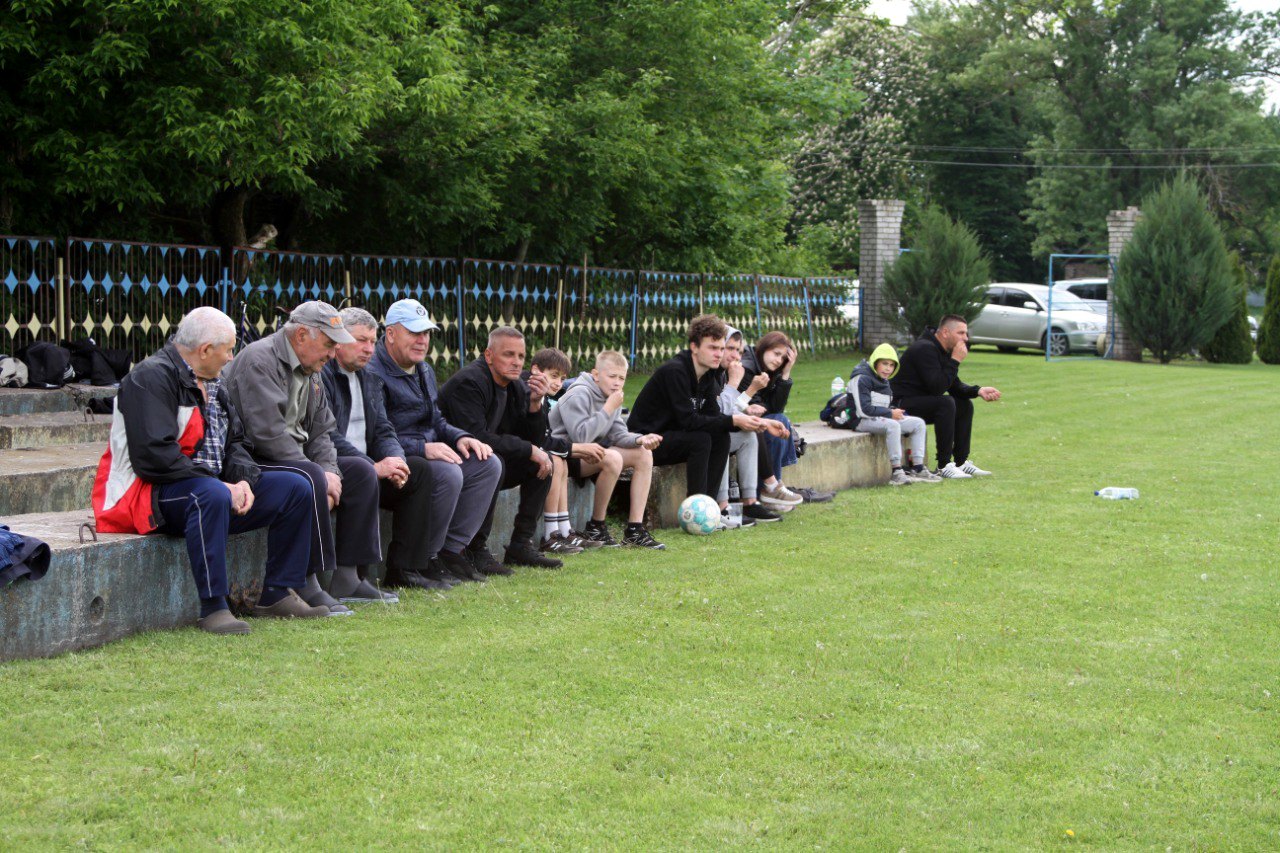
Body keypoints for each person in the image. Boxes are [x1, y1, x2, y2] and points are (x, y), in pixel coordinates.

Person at [92, 306, 323, 634]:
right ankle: (214, 606)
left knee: (295, 487)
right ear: (204, 350)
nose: (231, 357)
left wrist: (243, 481)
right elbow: (155, 457)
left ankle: (277, 592)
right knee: (210, 494)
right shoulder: (150, 378)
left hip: (206, 488)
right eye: (228, 350)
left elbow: (235, 443)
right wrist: (222, 486)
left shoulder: (215, 382)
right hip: (143, 496)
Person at [223, 301, 382, 616]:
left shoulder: (312, 368)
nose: (333, 353)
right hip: (252, 459)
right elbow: (267, 435)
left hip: (294, 458)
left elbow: (322, 432)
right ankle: (308, 581)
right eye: (329, 344)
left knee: (361, 472)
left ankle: (348, 576)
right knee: (308, 477)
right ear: (300, 336)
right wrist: (317, 473)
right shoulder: (260, 360)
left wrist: (330, 471)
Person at [364, 298, 505, 586]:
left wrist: (461, 437)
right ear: (390, 333)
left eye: (426, 333)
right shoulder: (372, 372)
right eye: (414, 333)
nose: (422, 340)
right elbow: (376, 433)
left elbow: (436, 420)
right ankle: (427, 557)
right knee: (447, 473)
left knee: (488, 464)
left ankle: (451, 551)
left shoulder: (424, 370)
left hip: (426, 453)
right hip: (395, 459)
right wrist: (423, 448)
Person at [320, 306, 430, 600]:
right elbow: (327, 435)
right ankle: (351, 577)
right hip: (336, 465)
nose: (369, 349)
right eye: (361, 340)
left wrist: (396, 460)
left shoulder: (369, 378)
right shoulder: (323, 376)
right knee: (363, 473)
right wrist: (373, 465)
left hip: (364, 467)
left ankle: (406, 568)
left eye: (372, 341)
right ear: (338, 340)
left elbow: (383, 428)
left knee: (418, 471)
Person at [439, 326, 563, 570]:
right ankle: (475, 548)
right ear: (489, 355)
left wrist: (535, 405)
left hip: (487, 459)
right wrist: (529, 449)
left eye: (521, 356)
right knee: (494, 461)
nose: (516, 362)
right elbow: (477, 437)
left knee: (542, 463)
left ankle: (520, 545)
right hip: (454, 460)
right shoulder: (469, 382)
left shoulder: (515, 385)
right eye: (508, 354)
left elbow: (532, 439)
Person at [627, 314, 784, 501]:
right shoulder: (675, 371)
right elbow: (688, 421)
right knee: (700, 440)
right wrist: (734, 420)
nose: (719, 354)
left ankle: (712, 505)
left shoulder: (707, 374)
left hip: (674, 437)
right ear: (694, 347)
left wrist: (760, 423)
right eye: (712, 348)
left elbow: (714, 416)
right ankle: (697, 505)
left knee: (721, 437)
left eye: (721, 348)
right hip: (646, 441)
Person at [549, 350, 667, 548]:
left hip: (592, 454)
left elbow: (618, 434)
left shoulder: (611, 397)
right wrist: (608, 409)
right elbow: (581, 437)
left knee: (643, 454)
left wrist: (640, 439)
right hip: (567, 455)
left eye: (622, 378)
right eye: (612, 376)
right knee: (612, 458)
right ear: (596, 375)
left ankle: (635, 530)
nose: (617, 383)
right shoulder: (578, 394)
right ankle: (596, 526)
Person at [892, 314, 1002, 479]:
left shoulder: (941, 350)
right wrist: (955, 360)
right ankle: (943, 465)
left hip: (921, 403)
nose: (965, 338)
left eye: (966, 333)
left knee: (963, 404)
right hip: (900, 406)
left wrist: (978, 391)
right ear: (945, 332)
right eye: (961, 333)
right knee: (946, 403)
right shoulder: (924, 348)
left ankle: (960, 462)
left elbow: (953, 385)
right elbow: (937, 388)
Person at [523, 347, 589, 555]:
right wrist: (575, 448)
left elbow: (543, 437)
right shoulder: (526, 392)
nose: (558, 383)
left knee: (561, 461)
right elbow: (536, 438)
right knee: (555, 460)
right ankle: (550, 534)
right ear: (536, 370)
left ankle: (564, 529)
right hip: (517, 452)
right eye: (553, 376)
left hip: (531, 449)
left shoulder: (544, 398)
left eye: (562, 379)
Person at [847, 343, 940, 485]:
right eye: (884, 364)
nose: (888, 369)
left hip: (880, 418)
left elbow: (883, 406)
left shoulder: (884, 380)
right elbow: (864, 410)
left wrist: (896, 413)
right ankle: (896, 472)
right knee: (893, 425)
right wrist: (890, 413)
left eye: (891, 365)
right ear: (875, 362)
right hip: (860, 420)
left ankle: (918, 468)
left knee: (918, 423)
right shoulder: (861, 378)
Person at [716, 329, 782, 525]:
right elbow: (721, 413)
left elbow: (774, 407)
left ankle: (750, 502)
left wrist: (785, 375)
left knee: (750, 435)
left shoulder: (724, 372)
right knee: (723, 435)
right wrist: (749, 389)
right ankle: (722, 506)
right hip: (687, 436)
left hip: (712, 427)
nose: (736, 356)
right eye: (729, 348)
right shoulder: (732, 371)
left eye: (739, 351)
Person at [738, 331, 806, 508]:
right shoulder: (748, 367)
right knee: (777, 422)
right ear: (765, 347)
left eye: (783, 358)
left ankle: (773, 490)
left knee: (780, 420)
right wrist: (767, 409)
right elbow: (754, 409)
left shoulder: (770, 369)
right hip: (738, 420)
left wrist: (786, 372)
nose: (778, 360)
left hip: (749, 420)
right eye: (776, 354)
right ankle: (769, 490)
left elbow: (776, 407)